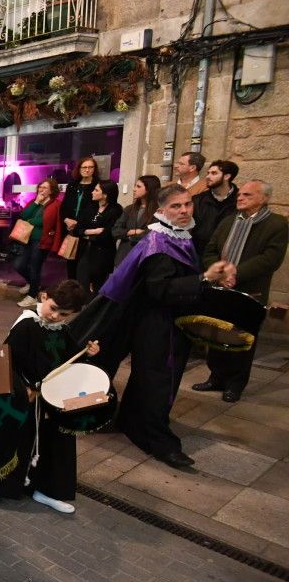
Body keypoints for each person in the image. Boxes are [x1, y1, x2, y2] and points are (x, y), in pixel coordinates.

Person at [74, 185, 232, 468]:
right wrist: (203, 279)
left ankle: (133, 422)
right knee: (159, 380)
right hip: (157, 324)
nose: (184, 211)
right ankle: (155, 438)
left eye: (187, 204)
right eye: (176, 206)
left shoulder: (178, 235)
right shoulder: (158, 243)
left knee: (150, 378)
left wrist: (210, 276)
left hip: (166, 321)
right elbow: (160, 289)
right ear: (161, 211)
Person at [0, 281, 99, 513]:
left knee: (56, 443)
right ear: (44, 297)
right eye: (53, 308)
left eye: (64, 314)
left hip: (51, 399)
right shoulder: (26, 325)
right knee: (13, 440)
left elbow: (71, 361)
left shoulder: (62, 330)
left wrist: (89, 353)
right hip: (23, 397)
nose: (55, 316)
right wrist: (21, 387)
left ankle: (47, 489)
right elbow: (3, 361)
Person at [195, 180, 288, 402]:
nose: (240, 197)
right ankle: (216, 377)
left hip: (249, 291)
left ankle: (235, 384)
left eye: (247, 194)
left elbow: (270, 259)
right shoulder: (228, 221)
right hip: (220, 287)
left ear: (263, 198)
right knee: (216, 333)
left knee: (243, 338)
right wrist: (219, 272)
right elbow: (211, 250)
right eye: (240, 194)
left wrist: (235, 273)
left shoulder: (276, 224)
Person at [13, 178, 64, 309]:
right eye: (40, 187)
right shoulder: (34, 202)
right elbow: (24, 215)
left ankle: (32, 296)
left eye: (45, 187)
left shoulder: (55, 204)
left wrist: (32, 221)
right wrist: (36, 202)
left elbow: (46, 221)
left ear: (52, 190)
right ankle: (33, 284)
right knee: (19, 265)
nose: (41, 190)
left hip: (41, 241)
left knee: (35, 267)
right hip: (26, 239)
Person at [75, 181, 123, 295]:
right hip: (85, 250)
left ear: (105, 194)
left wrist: (86, 234)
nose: (92, 192)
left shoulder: (115, 210)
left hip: (103, 253)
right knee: (82, 281)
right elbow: (77, 230)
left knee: (98, 284)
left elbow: (107, 235)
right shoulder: (90, 207)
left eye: (96, 190)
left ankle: (94, 309)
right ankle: (83, 308)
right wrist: (93, 231)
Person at [60, 157, 99, 280]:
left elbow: (95, 209)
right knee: (70, 262)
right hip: (70, 229)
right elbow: (64, 205)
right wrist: (66, 219)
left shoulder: (97, 185)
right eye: (84, 167)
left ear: (94, 169)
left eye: (90, 167)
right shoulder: (73, 185)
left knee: (83, 265)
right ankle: (70, 291)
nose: (87, 170)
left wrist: (78, 223)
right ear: (79, 169)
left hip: (86, 229)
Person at [190, 159, 239, 255]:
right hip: (200, 256)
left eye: (214, 173)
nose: (208, 177)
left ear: (227, 176)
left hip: (229, 255)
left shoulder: (240, 200)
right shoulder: (197, 200)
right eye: (208, 173)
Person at [113, 175, 160, 266]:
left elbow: (152, 234)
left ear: (149, 189)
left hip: (144, 257)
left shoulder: (159, 211)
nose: (134, 189)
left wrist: (130, 236)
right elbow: (115, 230)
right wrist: (132, 232)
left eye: (138, 186)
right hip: (124, 257)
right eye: (135, 186)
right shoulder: (129, 209)